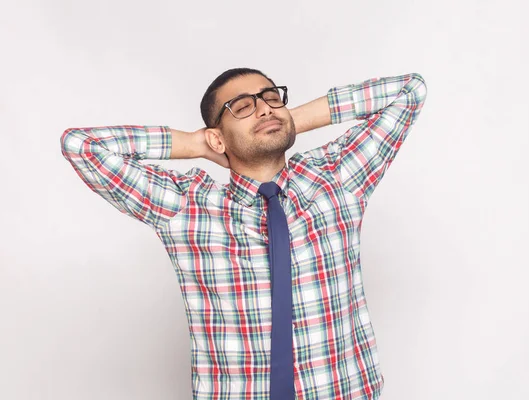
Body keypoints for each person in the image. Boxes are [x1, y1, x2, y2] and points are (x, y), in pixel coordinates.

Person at [60, 67, 428, 400]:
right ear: (218, 138)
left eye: (271, 98)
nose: (265, 108)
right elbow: (81, 146)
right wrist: (195, 144)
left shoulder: (335, 178)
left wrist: (288, 120)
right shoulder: (187, 208)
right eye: (243, 106)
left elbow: (409, 91)